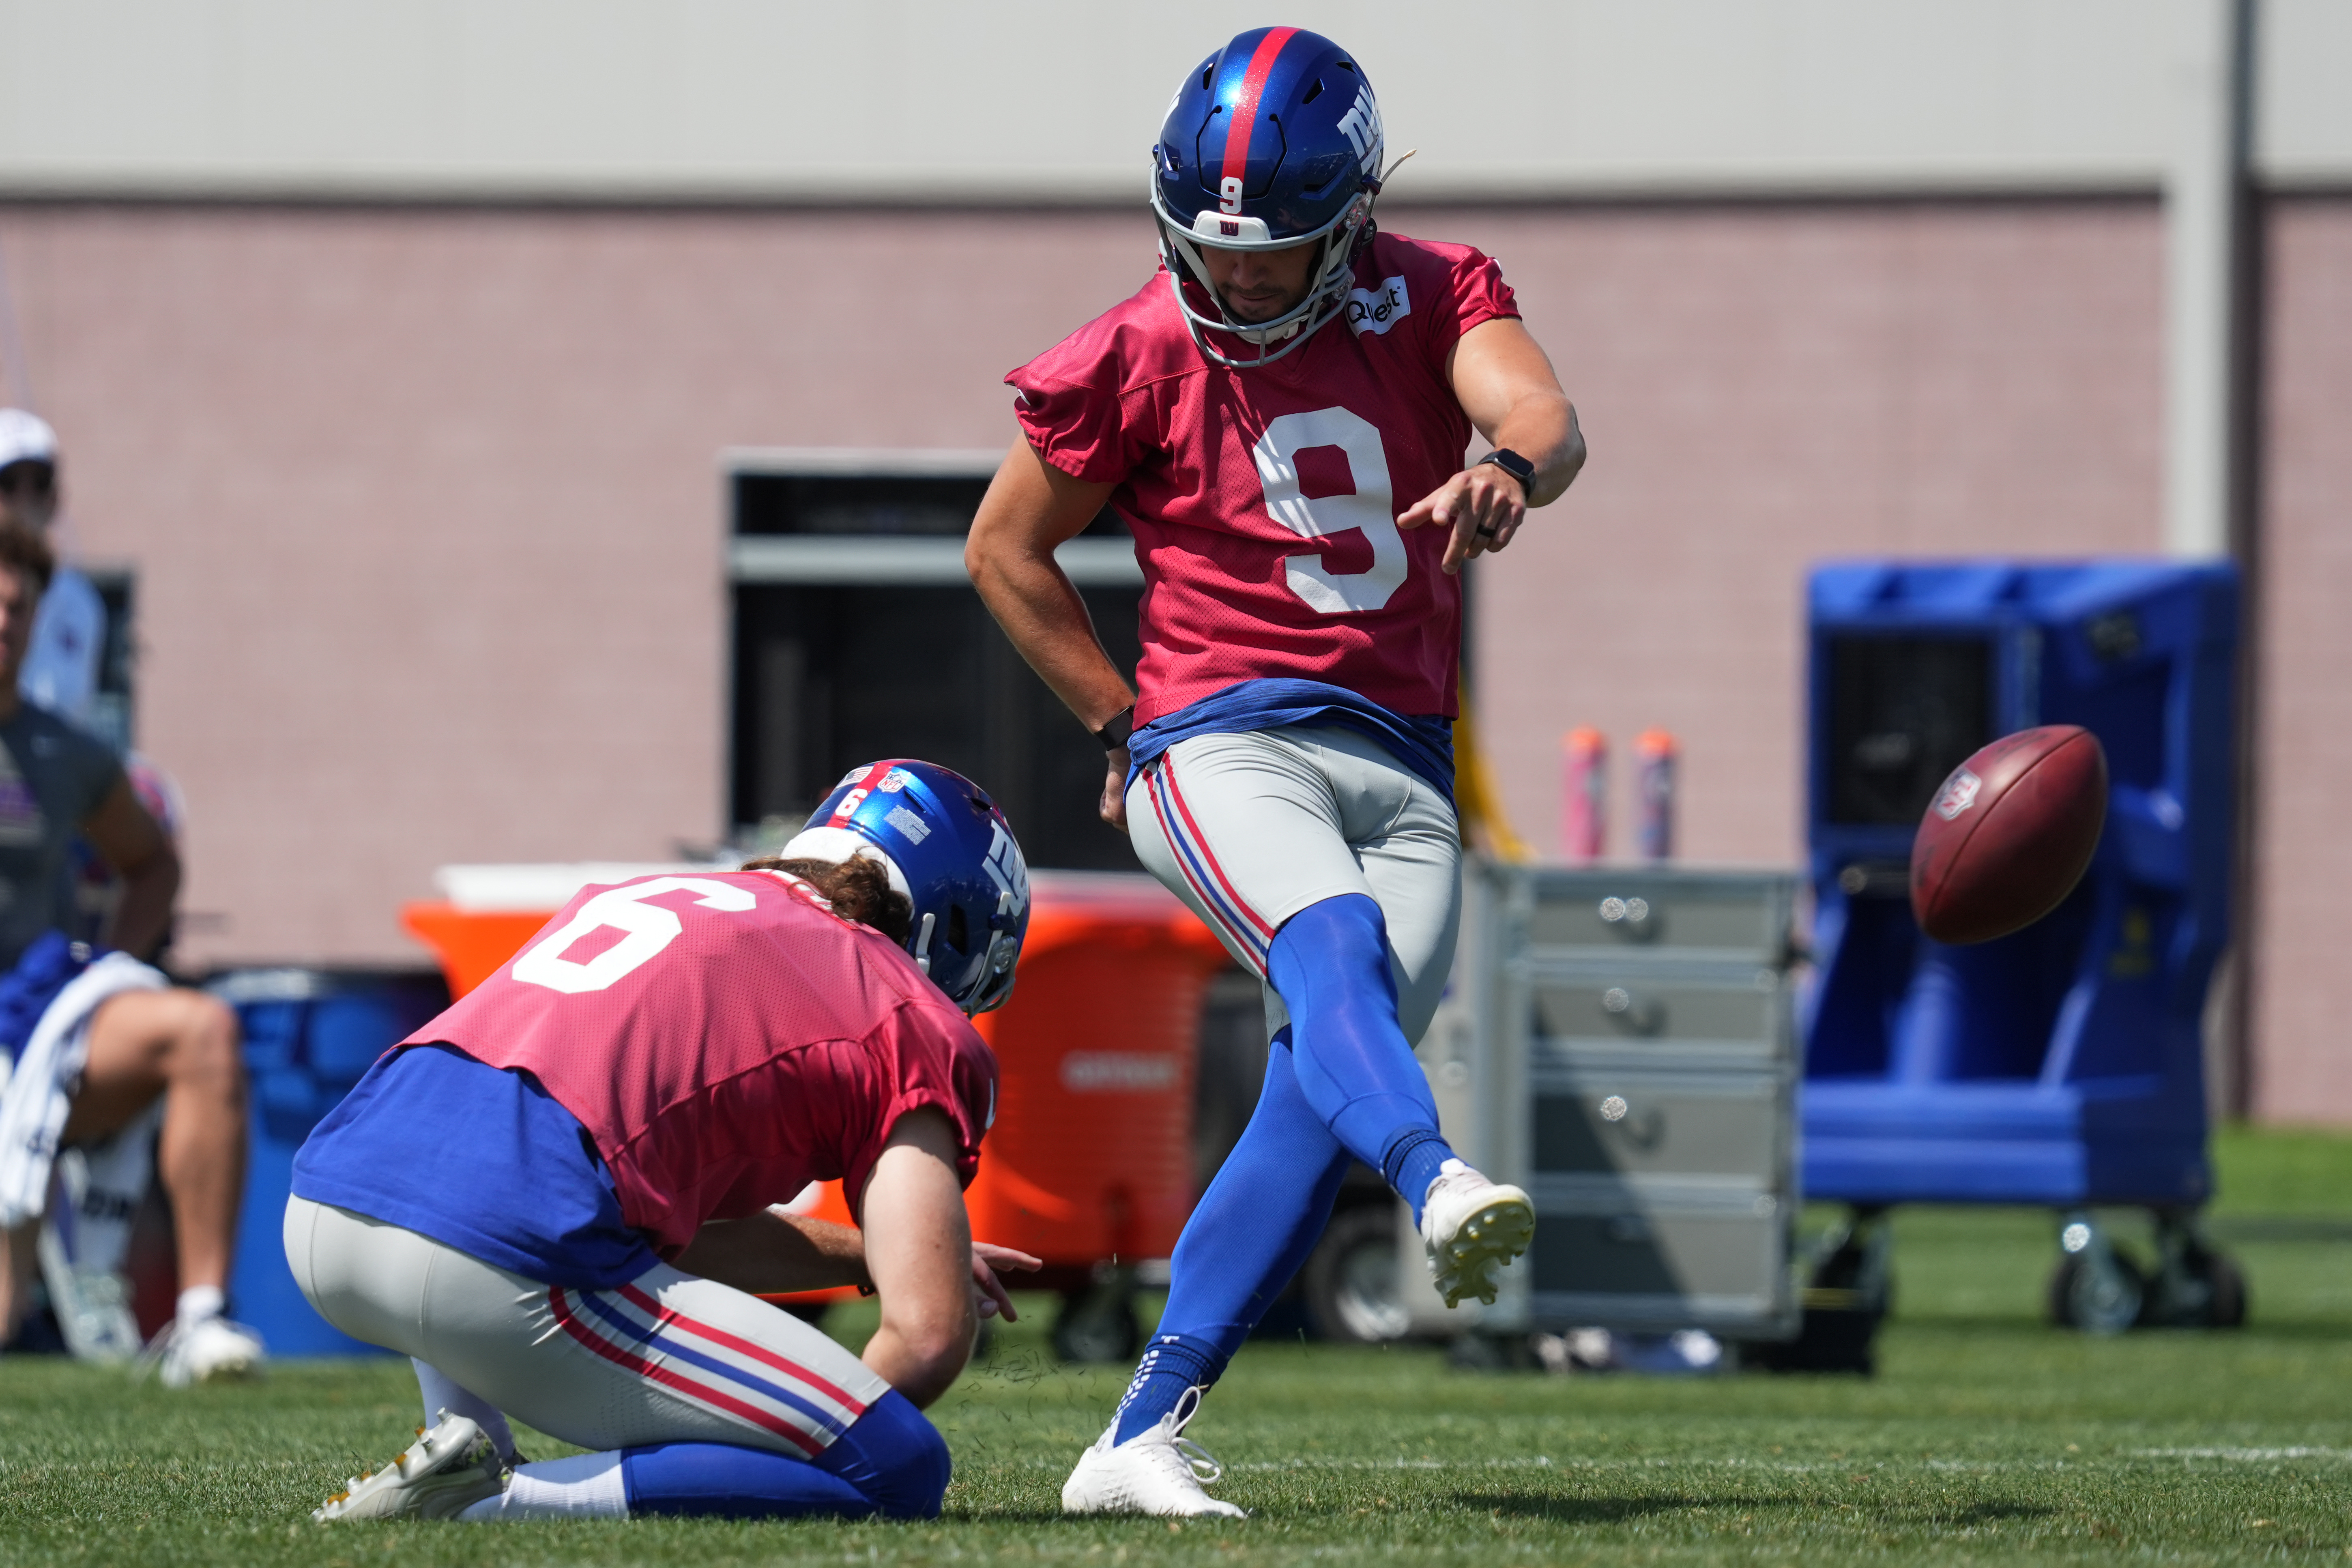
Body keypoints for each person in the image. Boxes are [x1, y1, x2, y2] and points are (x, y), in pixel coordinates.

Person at [965, 27, 1587, 1517]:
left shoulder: (1434, 290)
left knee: (1318, 1079)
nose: (1240, 280)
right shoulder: (1130, 347)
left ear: (1354, 218)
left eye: (1276, 253)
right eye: (1213, 251)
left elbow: (1545, 415)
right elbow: (1006, 546)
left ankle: (1135, 1437)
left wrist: (1507, 467)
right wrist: (1121, 722)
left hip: (1402, 750)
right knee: (1337, 955)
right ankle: (1436, 1175)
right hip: (1218, 735)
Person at [291, 760, 1042, 1524]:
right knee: (898, 1467)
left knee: (525, 1189)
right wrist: (829, 1437)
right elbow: (927, 1335)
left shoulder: (643, 896)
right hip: (491, 1249)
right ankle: (493, 1502)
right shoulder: (905, 1014)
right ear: (955, 921)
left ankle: (465, 1448)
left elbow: (645, 1218)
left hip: (331, 1205)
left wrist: (876, 1257)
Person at [0, 519, 262, 1385]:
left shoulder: (64, 751)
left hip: (34, 1029)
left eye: (17, 606)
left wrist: (101, 960)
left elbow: (152, 863)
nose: (3, 620)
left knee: (201, 1030)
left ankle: (200, 1320)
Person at [0, 410, 112, 735]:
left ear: (55, 498)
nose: (25, 498)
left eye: (40, 483)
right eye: (8, 483)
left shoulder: (82, 604)